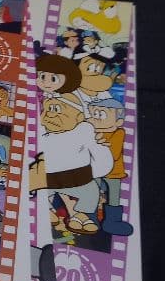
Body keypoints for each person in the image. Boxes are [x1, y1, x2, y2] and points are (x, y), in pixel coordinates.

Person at [29, 92, 113, 235]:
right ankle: (48, 209)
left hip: (79, 180)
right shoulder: (42, 134)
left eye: (56, 109)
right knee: (41, 190)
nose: (50, 115)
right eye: (48, 109)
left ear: (78, 117)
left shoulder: (84, 133)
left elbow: (100, 159)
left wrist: (94, 170)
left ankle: (81, 215)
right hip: (47, 181)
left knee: (91, 191)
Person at [88, 98, 133, 235]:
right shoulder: (89, 132)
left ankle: (112, 222)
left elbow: (113, 153)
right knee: (92, 194)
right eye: (94, 114)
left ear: (118, 122)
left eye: (101, 114)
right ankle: (91, 219)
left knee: (114, 196)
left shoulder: (119, 132)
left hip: (113, 172)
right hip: (94, 171)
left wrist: (97, 144)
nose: (95, 118)